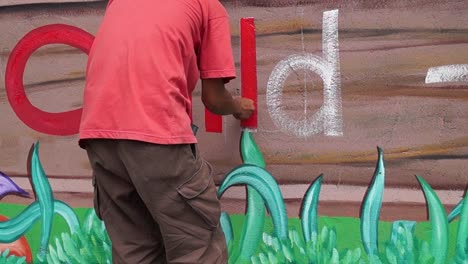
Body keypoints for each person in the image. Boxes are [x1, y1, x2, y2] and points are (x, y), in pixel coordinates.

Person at [78, 0, 255, 263]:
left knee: (135, 250)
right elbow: (214, 99)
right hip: (156, 135)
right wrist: (237, 106)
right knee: (197, 247)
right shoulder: (208, 6)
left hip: (98, 136)